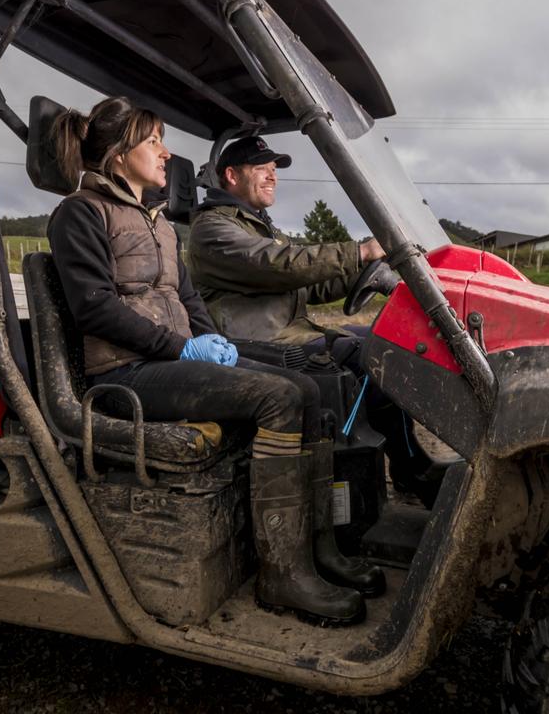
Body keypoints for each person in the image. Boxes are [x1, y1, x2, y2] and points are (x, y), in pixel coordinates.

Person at [45, 98, 382, 626]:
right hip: (126, 373)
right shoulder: (81, 214)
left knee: (311, 389)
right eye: (153, 141)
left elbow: (190, 301)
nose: (166, 152)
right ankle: (283, 574)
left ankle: (321, 549)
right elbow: (96, 307)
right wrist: (179, 348)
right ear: (116, 156)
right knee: (280, 397)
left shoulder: (157, 224)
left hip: (171, 362)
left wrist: (210, 342)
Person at [187, 137, 442, 505]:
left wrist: (367, 270)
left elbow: (308, 283)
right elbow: (279, 265)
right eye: (263, 169)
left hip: (291, 336)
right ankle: (390, 475)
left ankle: (403, 467)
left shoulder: (256, 226)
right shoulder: (213, 230)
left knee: (386, 340)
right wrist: (359, 251)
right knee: (373, 357)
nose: (273, 177)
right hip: (259, 347)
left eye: (275, 171)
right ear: (231, 175)